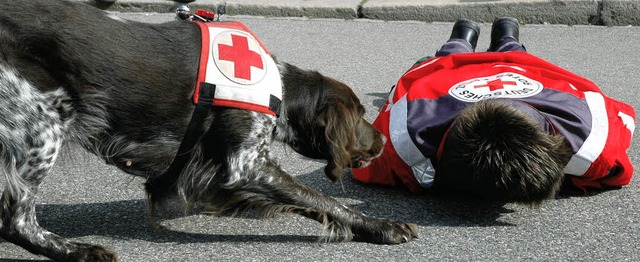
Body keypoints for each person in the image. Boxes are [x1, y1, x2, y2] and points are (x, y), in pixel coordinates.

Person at [352, 17, 636, 205]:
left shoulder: (411, 132)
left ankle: (485, 37)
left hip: (480, 77)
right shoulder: (588, 141)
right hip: (499, 75)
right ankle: (476, 37)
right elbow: (618, 172)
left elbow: (363, 166)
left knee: (468, 60)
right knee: (457, 60)